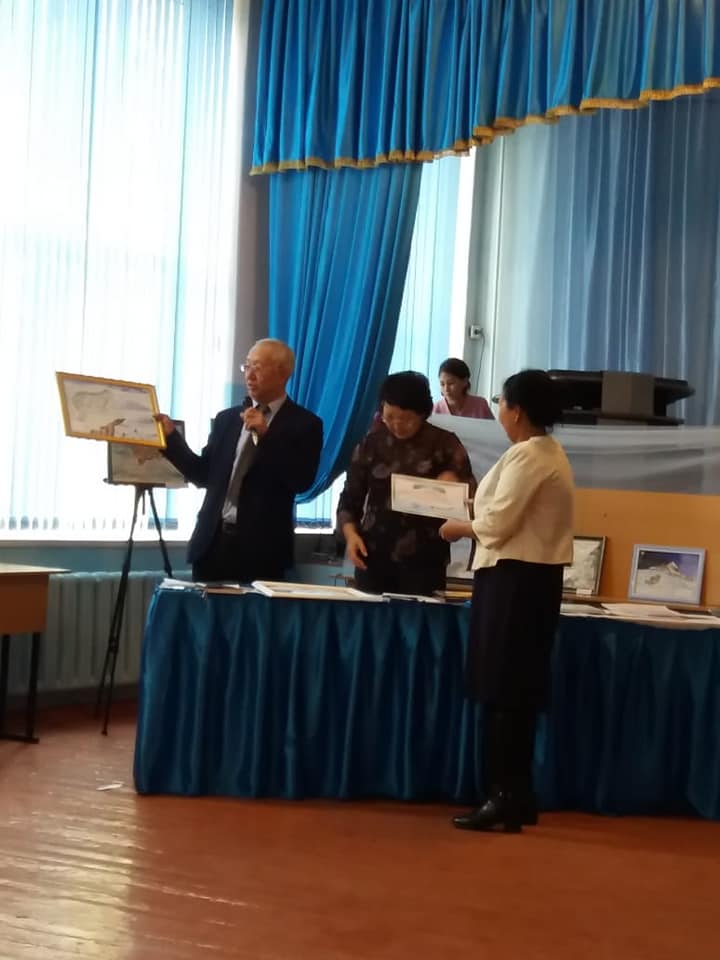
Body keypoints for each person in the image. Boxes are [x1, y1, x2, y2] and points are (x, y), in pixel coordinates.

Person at [439, 369, 574, 833]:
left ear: (516, 410)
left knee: (505, 690)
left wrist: (457, 527)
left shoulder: (531, 455)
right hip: (522, 580)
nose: (498, 410)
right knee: (512, 691)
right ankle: (516, 795)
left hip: (516, 580)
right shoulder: (540, 452)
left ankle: (503, 797)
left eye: (501, 402)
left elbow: (497, 524)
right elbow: (498, 509)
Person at [156, 339, 323, 583]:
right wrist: (171, 440)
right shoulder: (227, 419)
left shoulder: (305, 424)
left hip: (262, 552)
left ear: (283, 373)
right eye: (247, 366)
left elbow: (301, 481)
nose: (249, 375)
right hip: (212, 545)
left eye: (258, 367)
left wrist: (267, 437)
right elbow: (203, 475)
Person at [338, 371, 475, 596]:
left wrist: (452, 489)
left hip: (426, 560)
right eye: (389, 416)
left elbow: (470, 502)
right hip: (373, 555)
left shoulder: (445, 444)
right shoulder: (371, 444)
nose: (397, 425)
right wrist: (351, 536)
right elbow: (349, 499)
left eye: (406, 419)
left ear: (423, 413)